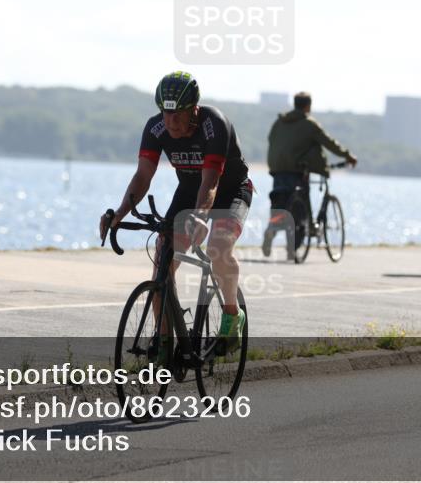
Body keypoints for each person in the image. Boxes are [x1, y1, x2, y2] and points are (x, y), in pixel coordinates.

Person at [99, 71, 253, 357]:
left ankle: (233, 317)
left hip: (230, 190)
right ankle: (166, 340)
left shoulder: (214, 124)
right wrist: (120, 212)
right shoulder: (156, 128)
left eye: (178, 116)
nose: (170, 123)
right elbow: (143, 175)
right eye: (165, 114)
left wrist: (201, 215)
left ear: (194, 109)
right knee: (162, 258)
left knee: (219, 248)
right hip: (189, 190)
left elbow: (211, 183)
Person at [262, 91, 357, 258]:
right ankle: (293, 248)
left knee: (280, 203)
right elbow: (329, 143)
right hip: (298, 169)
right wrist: (347, 156)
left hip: (277, 168)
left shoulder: (279, 122)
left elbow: (271, 140)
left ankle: (272, 230)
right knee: (299, 210)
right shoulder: (309, 124)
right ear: (308, 106)